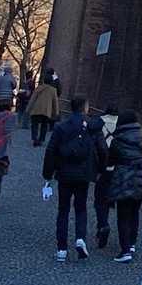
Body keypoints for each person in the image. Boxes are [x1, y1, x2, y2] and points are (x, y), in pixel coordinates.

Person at [43, 95, 96, 262]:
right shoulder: (91, 126)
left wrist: (48, 174)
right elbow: (99, 149)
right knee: (81, 208)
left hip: (64, 173)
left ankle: (61, 249)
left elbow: (51, 150)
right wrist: (98, 170)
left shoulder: (61, 127)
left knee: (63, 210)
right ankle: (80, 238)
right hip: (83, 174)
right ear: (85, 107)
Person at [108, 109, 142, 263]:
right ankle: (132, 243)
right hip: (141, 177)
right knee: (135, 212)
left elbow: (111, 159)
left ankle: (125, 250)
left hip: (124, 178)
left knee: (123, 214)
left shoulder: (118, 139)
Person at [92, 105, 117, 250]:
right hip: (117, 168)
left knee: (100, 199)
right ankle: (129, 241)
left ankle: (102, 224)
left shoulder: (99, 122)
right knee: (110, 199)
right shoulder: (121, 124)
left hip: (101, 167)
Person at [28, 76, 60, 147]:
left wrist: (28, 109)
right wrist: (56, 112)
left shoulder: (39, 88)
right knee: (44, 126)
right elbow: (55, 102)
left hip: (36, 109)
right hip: (46, 111)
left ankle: (35, 138)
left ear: (44, 81)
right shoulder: (53, 90)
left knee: (34, 124)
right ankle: (41, 140)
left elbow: (32, 99)